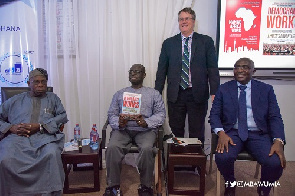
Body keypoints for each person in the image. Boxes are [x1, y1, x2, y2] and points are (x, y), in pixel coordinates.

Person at [210, 58, 286, 196]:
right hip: (232, 133)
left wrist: (278, 140)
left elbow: (274, 117)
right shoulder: (223, 89)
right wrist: (220, 132)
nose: (240, 70)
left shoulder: (266, 89)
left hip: (259, 134)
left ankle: (264, 188)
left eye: (245, 67)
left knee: (275, 162)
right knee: (222, 157)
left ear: (253, 70)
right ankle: (230, 184)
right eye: (237, 67)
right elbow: (214, 115)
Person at [155, 7, 220, 143]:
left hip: (197, 93)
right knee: (176, 130)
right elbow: (161, 70)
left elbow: (212, 68)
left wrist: (215, 92)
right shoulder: (169, 43)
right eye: (181, 19)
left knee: (196, 131)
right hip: (176, 94)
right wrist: (157, 93)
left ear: (193, 21)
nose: (183, 22)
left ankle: (195, 163)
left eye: (187, 19)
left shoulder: (206, 42)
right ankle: (177, 163)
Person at [0, 68, 68, 196]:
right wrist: (10, 128)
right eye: (36, 82)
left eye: (43, 81)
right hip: (16, 138)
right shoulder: (15, 100)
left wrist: (41, 126)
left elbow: (62, 116)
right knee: (5, 159)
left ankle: (50, 192)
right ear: (28, 83)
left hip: (45, 137)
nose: (40, 85)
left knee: (51, 154)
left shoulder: (53, 99)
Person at [104, 64, 166, 196]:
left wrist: (146, 122)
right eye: (131, 71)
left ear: (144, 75)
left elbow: (161, 115)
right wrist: (118, 122)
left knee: (147, 148)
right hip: (123, 129)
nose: (133, 74)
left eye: (137, 72)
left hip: (145, 131)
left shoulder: (153, 94)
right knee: (112, 147)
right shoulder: (120, 94)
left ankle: (145, 186)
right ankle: (113, 186)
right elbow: (111, 114)